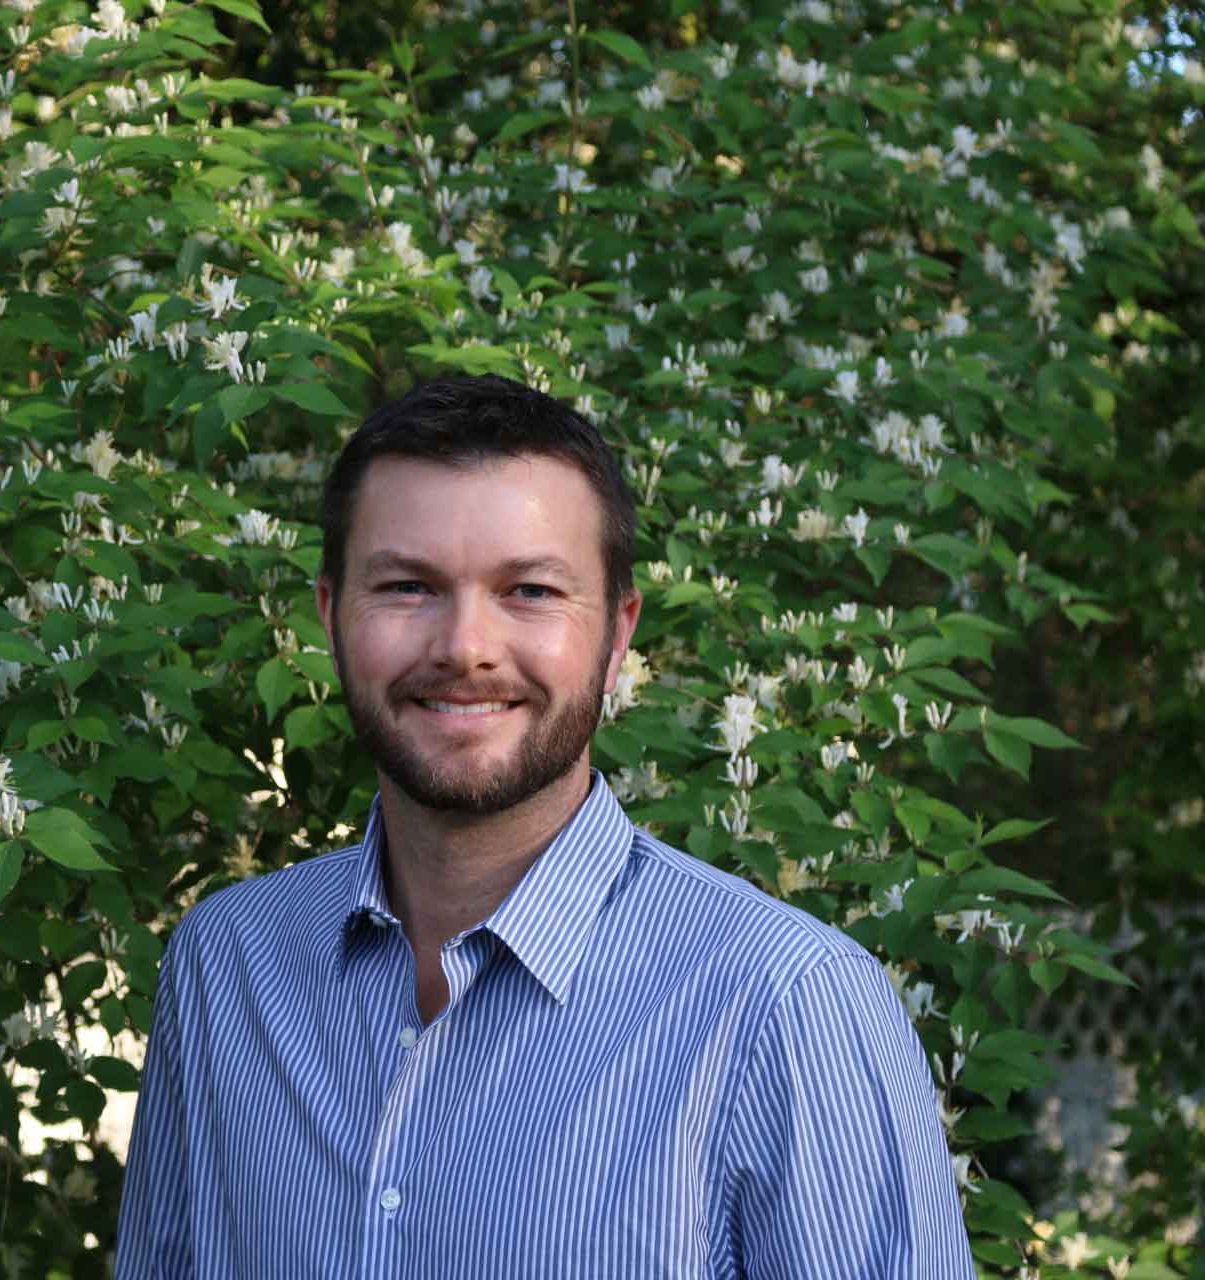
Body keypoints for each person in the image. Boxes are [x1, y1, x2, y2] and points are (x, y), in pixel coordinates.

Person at [114, 375, 972, 1277]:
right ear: (331, 616)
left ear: (616, 633)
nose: (464, 647)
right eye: (408, 586)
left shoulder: (788, 1006)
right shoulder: (228, 968)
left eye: (528, 590)